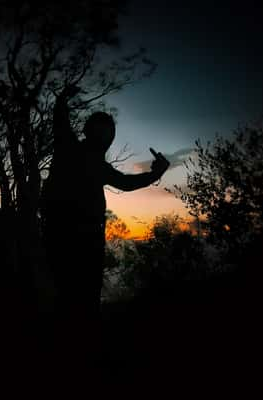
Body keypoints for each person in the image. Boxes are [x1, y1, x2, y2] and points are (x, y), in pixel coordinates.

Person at [41, 85, 170, 321]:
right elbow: (126, 183)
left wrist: (62, 100)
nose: (105, 139)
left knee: (70, 299)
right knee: (77, 301)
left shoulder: (73, 150)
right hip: (76, 240)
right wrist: (155, 174)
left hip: (67, 237)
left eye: (106, 133)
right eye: (103, 133)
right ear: (97, 135)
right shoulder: (78, 153)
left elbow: (125, 182)